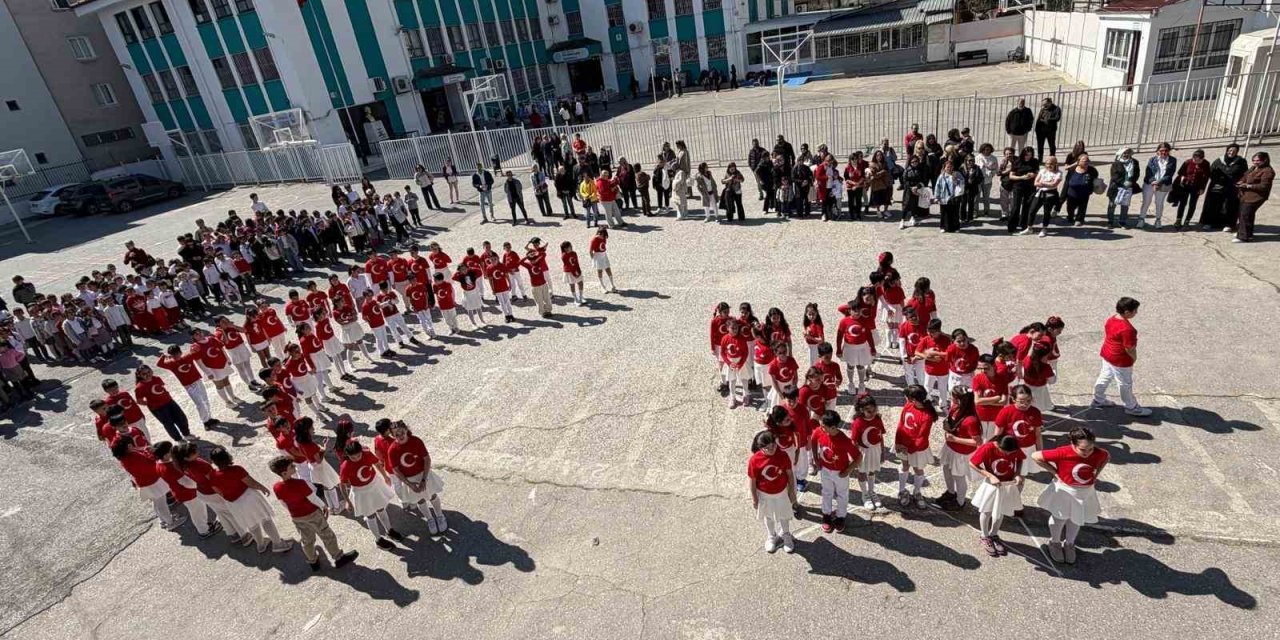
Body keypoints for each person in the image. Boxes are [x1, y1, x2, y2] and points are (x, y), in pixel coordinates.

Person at [1033, 427, 1109, 564]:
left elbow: (1106, 456)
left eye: (1090, 449)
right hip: (1065, 490)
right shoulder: (1063, 452)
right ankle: (1055, 542)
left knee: (1076, 518)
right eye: (1083, 450)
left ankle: (1069, 544)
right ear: (1073, 444)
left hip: (1085, 491)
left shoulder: (1099, 453)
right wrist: (1055, 473)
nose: (1087, 453)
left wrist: (1096, 474)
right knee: (1060, 518)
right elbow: (1036, 456)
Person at [269, 456, 358, 571]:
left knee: (306, 540)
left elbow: (283, 503)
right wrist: (323, 506)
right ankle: (338, 557)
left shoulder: (276, 487)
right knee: (326, 535)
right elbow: (312, 498)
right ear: (285, 473)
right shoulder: (300, 483)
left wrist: (294, 512)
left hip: (296, 517)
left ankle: (313, 561)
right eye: (291, 466)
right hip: (312, 514)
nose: (294, 466)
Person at [209, 446, 294, 553]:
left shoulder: (213, 476)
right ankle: (278, 543)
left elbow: (218, 491)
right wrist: (262, 487)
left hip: (233, 503)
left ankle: (261, 544)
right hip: (248, 498)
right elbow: (251, 483)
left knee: (251, 524)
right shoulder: (237, 469)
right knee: (265, 519)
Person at [1092, 296, 1152, 416]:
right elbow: (1129, 348)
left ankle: (1098, 399)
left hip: (1107, 353)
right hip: (1120, 359)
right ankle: (1131, 407)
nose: (1136, 313)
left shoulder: (1111, 319)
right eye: (1135, 311)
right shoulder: (1128, 329)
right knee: (1125, 383)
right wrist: (1134, 358)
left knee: (1105, 376)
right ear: (1127, 312)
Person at [386, 420, 449, 534]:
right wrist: (409, 484)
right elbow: (396, 470)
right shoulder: (392, 450)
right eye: (396, 434)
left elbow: (427, 459)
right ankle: (430, 519)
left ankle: (440, 515)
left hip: (423, 474)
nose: (400, 436)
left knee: (432, 495)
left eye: (402, 432)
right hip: (410, 480)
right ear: (393, 435)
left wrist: (424, 479)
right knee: (420, 500)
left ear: (406, 429)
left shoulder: (416, 441)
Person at [339, 439, 403, 550]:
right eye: (352, 457)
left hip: (374, 485)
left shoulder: (367, 454)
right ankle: (378, 540)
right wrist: (348, 502)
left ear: (361, 451)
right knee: (370, 516)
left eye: (358, 455)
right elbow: (342, 485)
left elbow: (377, 464)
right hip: (361, 492)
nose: (356, 459)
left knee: (381, 509)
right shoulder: (345, 466)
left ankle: (389, 530)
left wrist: (385, 476)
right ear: (347, 455)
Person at [969, 435, 1026, 557]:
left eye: (1011, 452)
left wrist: (1017, 474)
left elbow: (1020, 459)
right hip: (992, 484)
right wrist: (989, 475)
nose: (1008, 454)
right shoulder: (988, 448)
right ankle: (984, 536)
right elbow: (972, 463)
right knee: (987, 510)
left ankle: (994, 534)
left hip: (1007, 484)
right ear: (998, 445)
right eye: (1005, 452)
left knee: (1001, 510)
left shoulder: (1013, 446)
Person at [747, 430, 797, 553]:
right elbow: (752, 481)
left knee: (784, 515)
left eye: (773, 445)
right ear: (761, 448)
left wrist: (791, 491)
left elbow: (790, 474)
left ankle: (786, 535)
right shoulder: (755, 460)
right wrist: (754, 498)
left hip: (781, 492)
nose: (772, 449)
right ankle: (771, 536)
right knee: (768, 516)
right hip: (764, 494)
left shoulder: (783, 455)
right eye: (768, 448)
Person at [812, 410, 858, 533]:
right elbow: (813, 439)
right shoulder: (820, 431)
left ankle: (840, 516)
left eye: (823, 427)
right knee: (826, 492)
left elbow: (858, 457)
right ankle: (826, 515)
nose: (820, 428)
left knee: (842, 495)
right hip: (825, 470)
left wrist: (848, 470)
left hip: (840, 473)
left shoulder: (844, 440)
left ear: (833, 427)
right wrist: (816, 459)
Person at [938, 385, 981, 511]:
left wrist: (956, 439)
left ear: (958, 400)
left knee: (958, 476)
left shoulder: (971, 420)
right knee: (946, 469)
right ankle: (951, 492)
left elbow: (977, 442)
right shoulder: (955, 408)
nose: (950, 398)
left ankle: (960, 502)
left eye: (952, 396)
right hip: (951, 447)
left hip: (961, 453)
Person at [895, 384, 935, 508]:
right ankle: (902, 491)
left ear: (913, 398)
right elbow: (901, 424)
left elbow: (922, 437)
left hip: (917, 448)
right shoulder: (908, 406)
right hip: (903, 444)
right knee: (904, 466)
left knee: (918, 469)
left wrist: (910, 449)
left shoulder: (926, 416)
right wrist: (898, 442)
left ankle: (917, 492)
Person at [134, 365, 191, 442]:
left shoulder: (156, 378)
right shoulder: (139, 387)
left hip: (169, 402)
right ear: (139, 375)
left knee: (181, 418)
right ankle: (179, 439)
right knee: (169, 424)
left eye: (149, 372)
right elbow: (139, 401)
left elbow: (162, 388)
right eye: (144, 374)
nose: (147, 375)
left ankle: (187, 434)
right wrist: (151, 403)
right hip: (158, 408)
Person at [849, 393, 885, 510]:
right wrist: (854, 457)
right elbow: (853, 442)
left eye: (874, 410)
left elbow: (881, 436)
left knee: (872, 471)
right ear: (861, 410)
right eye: (869, 411)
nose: (872, 413)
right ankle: (865, 494)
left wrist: (882, 452)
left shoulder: (877, 419)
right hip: (863, 452)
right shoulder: (858, 423)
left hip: (875, 450)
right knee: (862, 472)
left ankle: (871, 491)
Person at [1200, 143, 1247, 231]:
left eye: (1234, 151)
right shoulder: (1219, 160)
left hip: (1231, 188)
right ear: (1227, 150)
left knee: (1229, 206)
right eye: (1230, 150)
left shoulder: (1241, 161)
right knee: (1213, 205)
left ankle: (1227, 224)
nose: (1231, 152)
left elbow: (1245, 174)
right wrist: (1218, 179)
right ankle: (1209, 223)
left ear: (1237, 152)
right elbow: (1211, 172)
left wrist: (1239, 181)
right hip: (1217, 187)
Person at [1234, 150, 1273, 243]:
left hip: (1256, 196)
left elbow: (1264, 186)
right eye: (1254, 160)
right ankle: (1246, 233)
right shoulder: (1253, 168)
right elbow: (1245, 176)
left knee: (1246, 214)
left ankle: (1244, 237)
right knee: (1245, 214)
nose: (1255, 162)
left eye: (1258, 160)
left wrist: (1248, 185)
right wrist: (1241, 181)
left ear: (1265, 160)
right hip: (1245, 195)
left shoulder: (1268, 171)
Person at [1138, 142, 1177, 229]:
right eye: (1161, 150)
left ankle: (1158, 220)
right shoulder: (1152, 160)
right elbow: (1148, 172)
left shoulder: (1172, 160)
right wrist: (1153, 182)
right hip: (1149, 184)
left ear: (1169, 151)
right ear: (1158, 151)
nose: (1163, 152)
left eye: (1166, 151)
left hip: (1163, 184)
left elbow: (1169, 174)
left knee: (1159, 203)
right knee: (1146, 202)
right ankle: (1141, 219)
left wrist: (1158, 182)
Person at [1171, 149, 1210, 231]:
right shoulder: (1187, 162)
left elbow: (1206, 178)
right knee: (1183, 203)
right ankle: (1178, 220)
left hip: (1197, 187)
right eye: (1195, 158)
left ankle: (1187, 221)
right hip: (1186, 185)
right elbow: (1181, 172)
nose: (1196, 161)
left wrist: (1203, 188)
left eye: (1199, 159)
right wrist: (1183, 178)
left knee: (1192, 204)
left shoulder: (1206, 164)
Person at [1027, 155, 1064, 237]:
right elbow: (1036, 183)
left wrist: (1043, 183)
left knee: (1046, 212)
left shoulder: (1058, 173)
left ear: (1055, 164)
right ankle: (1029, 227)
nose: (1048, 165)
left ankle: (1044, 228)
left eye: (1051, 163)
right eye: (1047, 163)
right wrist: (1047, 184)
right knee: (1032, 210)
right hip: (1040, 192)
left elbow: (1054, 184)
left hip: (1050, 194)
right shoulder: (1042, 171)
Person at [1006, 147, 1039, 234]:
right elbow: (1011, 176)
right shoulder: (1017, 161)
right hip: (1018, 186)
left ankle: (1024, 225)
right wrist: (1022, 177)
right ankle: (1012, 225)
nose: (1028, 157)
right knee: (1016, 206)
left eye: (1030, 155)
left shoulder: (1035, 161)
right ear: (1023, 154)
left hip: (1030, 186)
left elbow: (1038, 173)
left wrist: (1034, 175)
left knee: (1027, 206)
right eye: (1026, 155)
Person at [1105, 147, 1139, 229]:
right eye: (1124, 153)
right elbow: (1114, 176)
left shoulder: (1134, 162)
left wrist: (1131, 182)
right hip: (1116, 187)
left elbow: (1136, 174)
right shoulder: (1116, 164)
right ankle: (1110, 221)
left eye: (1128, 153)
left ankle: (1122, 222)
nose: (1126, 155)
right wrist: (1123, 182)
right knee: (1112, 204)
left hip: (1128, 187)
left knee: (1125, 206)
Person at [1062, 152, 1098, 227]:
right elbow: (1067, 180)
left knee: (1082, 207)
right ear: (1078, 162)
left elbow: (1095, 179)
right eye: (1084, 161)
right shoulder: (1072, 169)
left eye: (1087, 161)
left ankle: (1079, 219)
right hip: (1072, 193)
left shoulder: (1092, 170)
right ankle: (1070, 217)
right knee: (1070, 207)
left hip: (1084, 193)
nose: (1086, 162)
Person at [934, 160, 963, 233]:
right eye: (947, 167)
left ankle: (956, 227)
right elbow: (938, 186)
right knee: (944, 213)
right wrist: (936, 197)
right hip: (944, 197)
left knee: (955, 213)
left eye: (950, 167)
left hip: (954, 197)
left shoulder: (957, 174)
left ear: (953, 167)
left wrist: (956, 180)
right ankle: (942, 226)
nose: (949, 168)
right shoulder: (942, 176)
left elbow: (962, 183)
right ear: (944, 168)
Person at [588, 227, 616, 293]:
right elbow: (590, 251)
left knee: (608, 269)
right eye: (600, 233)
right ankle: (602, 287)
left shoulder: (604, 238)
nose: (601, 235)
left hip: (604, 255)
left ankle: (612, 285)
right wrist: (593, 259)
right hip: (598, 255)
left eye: (602, 234)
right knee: (600, 271)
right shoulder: (594, 239)